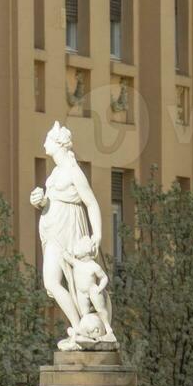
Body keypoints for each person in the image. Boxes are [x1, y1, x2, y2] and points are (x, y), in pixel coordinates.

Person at [30, 122, 115, 350]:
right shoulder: (57, 171)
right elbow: (54, 201)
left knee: (62, 282)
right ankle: (79, 328)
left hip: (68, 230)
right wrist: (41, 201)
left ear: (58, 143)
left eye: (48, 139)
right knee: (51, 284)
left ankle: (82, 328)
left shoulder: (72, 170)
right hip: (53, 228)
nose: (44, 142)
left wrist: (96, 235)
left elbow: (91, 202)